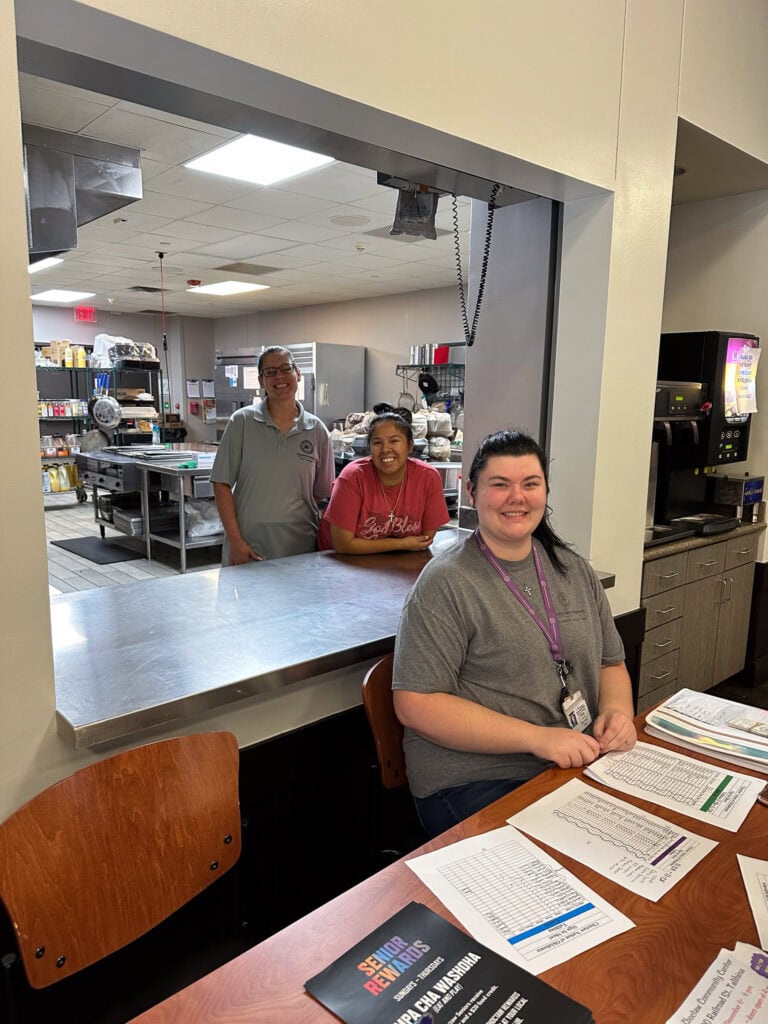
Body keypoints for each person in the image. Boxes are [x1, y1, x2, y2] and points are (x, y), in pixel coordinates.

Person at [392, 428, 636, 838]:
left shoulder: (572, 570)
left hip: (571, 760)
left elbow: (610, 663)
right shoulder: (445, 583)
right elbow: (416, 703)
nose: (516, 497)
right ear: (471, 491)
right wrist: (538, 739)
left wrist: (617, 714)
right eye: (499, 484)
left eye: (530, 484)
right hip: (476, 779)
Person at [211, 346, 335, 564]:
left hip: (301, 546)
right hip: (249, 544)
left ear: (298, 374)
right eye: (270, 372)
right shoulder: (242, 422)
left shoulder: (316, 430)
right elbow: (221, 483)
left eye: (285, 369)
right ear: (261, 381)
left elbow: (320, 492)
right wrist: (237, 542)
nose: (279, 377)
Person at [318, 410, 449, 554]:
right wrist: (401, 544)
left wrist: (399, 545)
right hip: (338, 564)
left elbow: (424, 539)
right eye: (377, 443)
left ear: (410, 446)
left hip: (394, 565)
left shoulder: (428, 478)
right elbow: (343, 544)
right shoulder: (352, 477)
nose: (385, 449)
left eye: (394, 441)